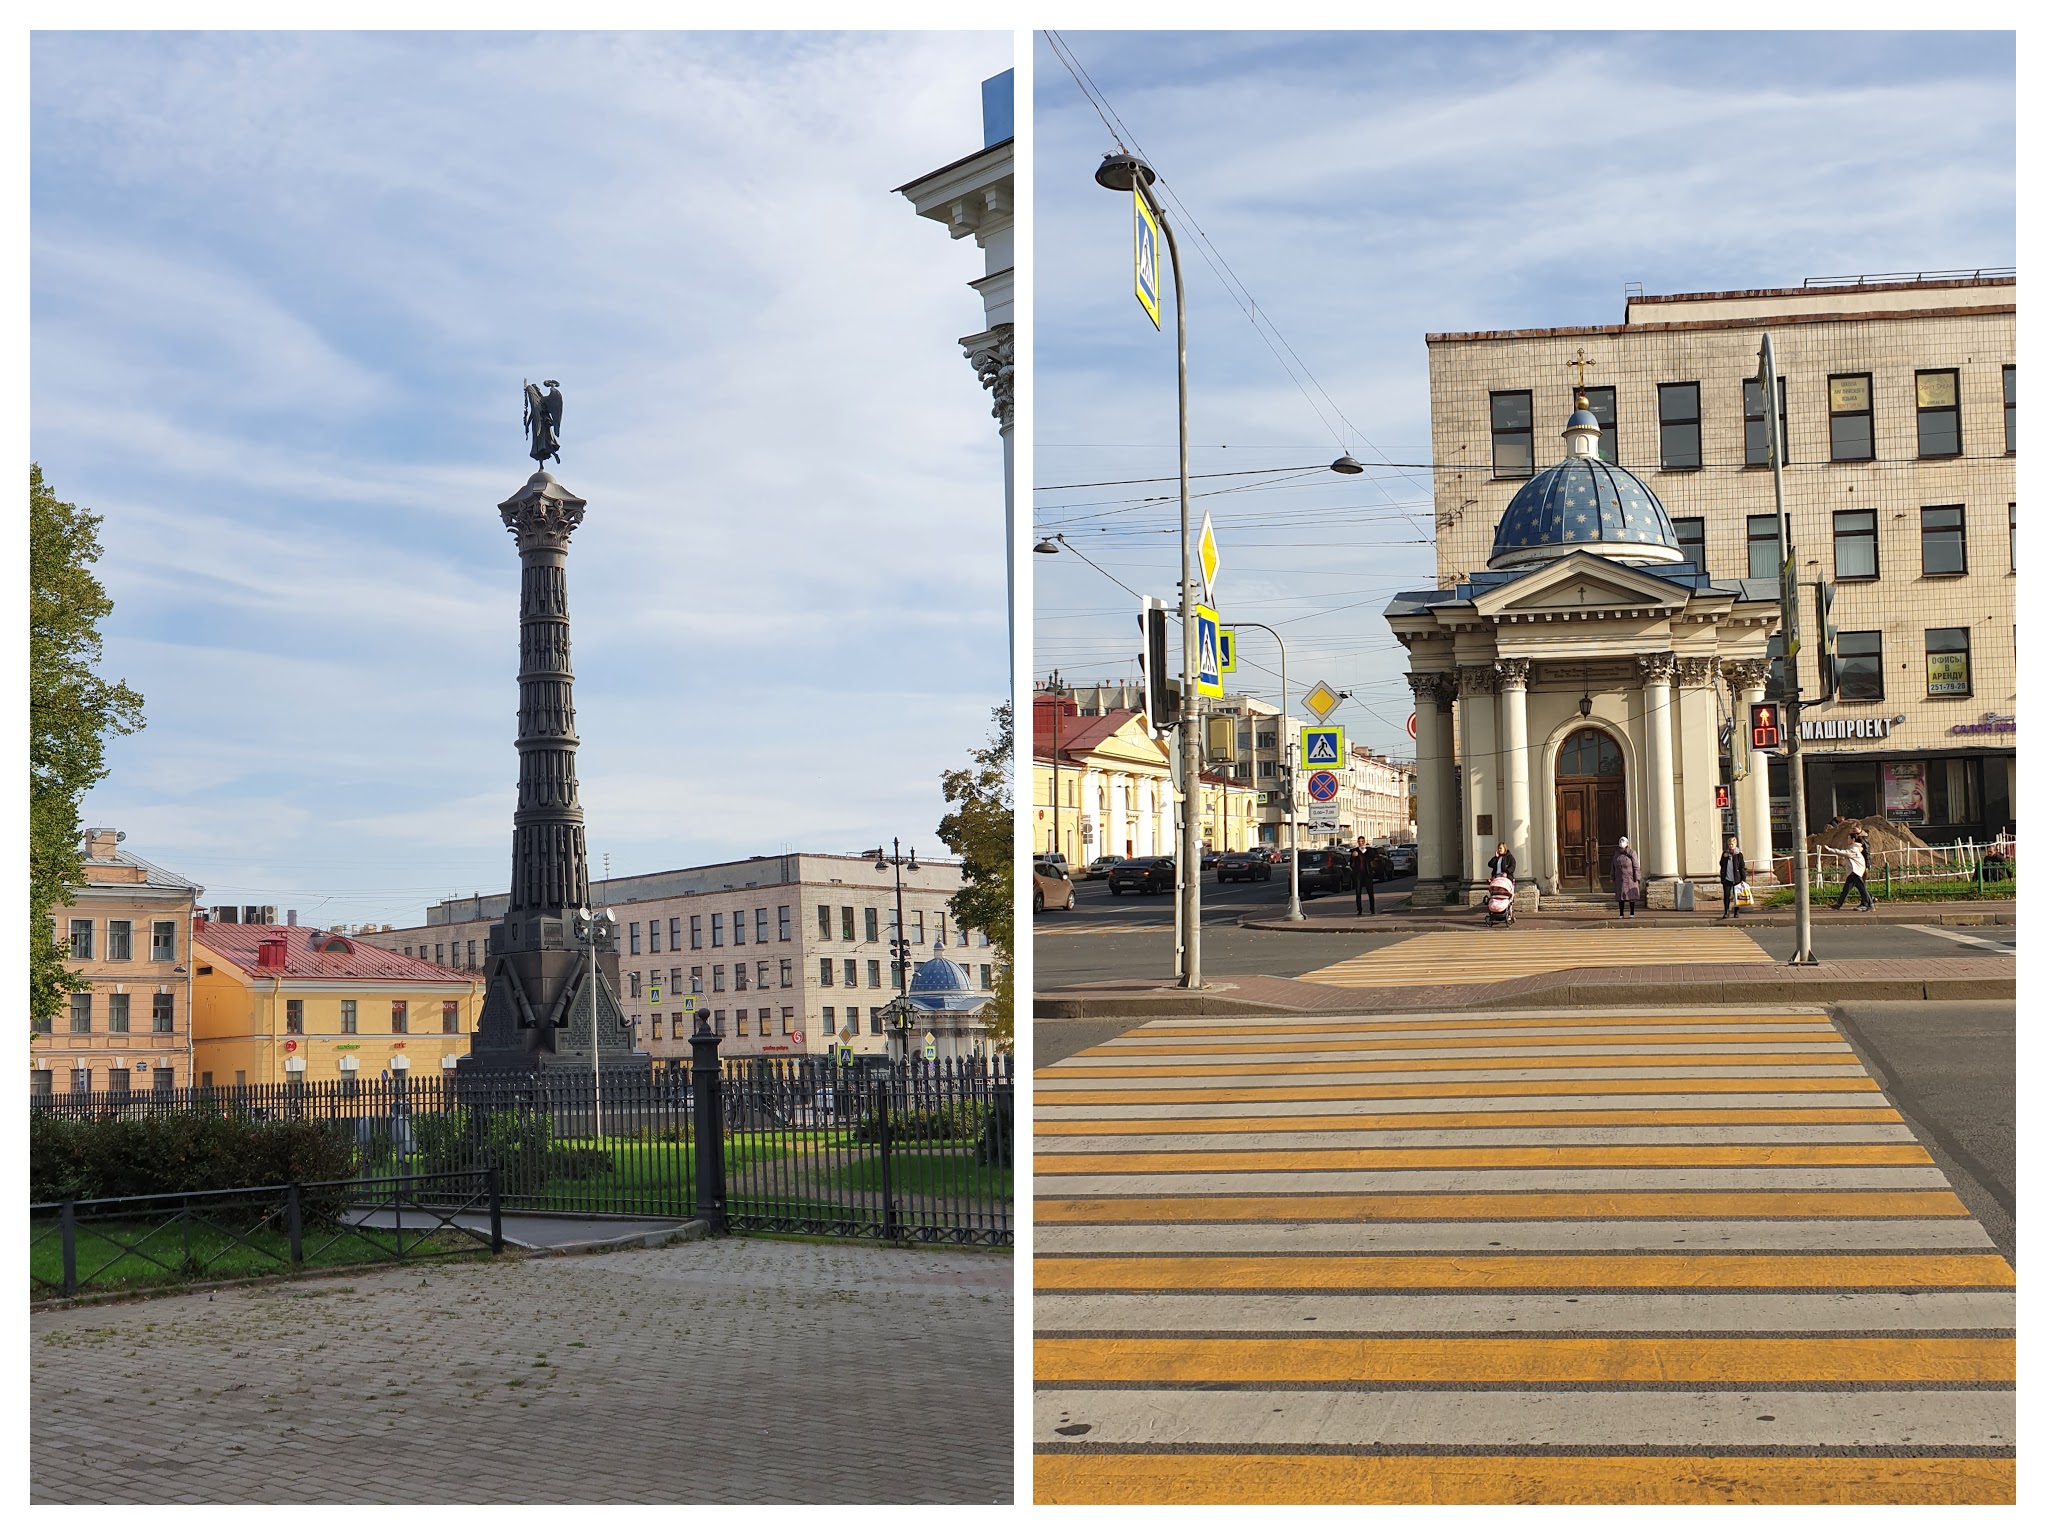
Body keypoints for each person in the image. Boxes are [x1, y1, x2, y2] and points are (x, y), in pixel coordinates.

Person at [1834, 832, 1874, 912]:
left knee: (1862, 889)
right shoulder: (1854, 848)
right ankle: (1838, 904)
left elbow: (1845, 853)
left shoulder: (1854, 849)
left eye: (1848, 838)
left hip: (1856, 872)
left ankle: (1870, 904)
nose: (1847, 840)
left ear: (1853, 840)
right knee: (1846, 889)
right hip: (1853, 872)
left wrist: (1830, 849)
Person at [1610, 835, 1642, 918]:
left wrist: (1637, 877)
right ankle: (1621, 913)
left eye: (1623, 841)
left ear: (1627, 843)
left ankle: (1632, 913)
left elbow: (1636, 866)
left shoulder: (1632, 853)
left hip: (1630, 878)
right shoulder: (1617, 854)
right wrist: (1612, 877)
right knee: (1621, 897)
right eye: (1620, 841)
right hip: (1619, 878)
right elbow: (1613, 866)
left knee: (1631, 896)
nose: (1621, 843)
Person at [1719, 835, 1748, 919]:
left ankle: (1736, 911)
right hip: (1727, 878)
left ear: (1735, 845)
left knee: (1736, 896)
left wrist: (1743, 879)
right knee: (1726, 896)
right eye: (1729, 844)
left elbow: (1742, 867)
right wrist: (1724, 858)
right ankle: (1726, 911)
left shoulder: (1739, 855)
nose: (1730, 846)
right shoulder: (1725, 854)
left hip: (1736, 879)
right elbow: (1721, 864)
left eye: (1732, 844)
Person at [1353, 835, 1376, 916]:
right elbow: (1351, 862)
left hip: (1367, 873)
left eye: (1362, 842)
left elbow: (1372, 856)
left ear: (1364, 842)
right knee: (1358, 892)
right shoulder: (1355, 851)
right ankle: (1359, 910)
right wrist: (1353, 856)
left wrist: (1365, 850)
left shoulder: (1369, 850)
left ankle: (1372, 909)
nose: (1361, 843)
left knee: (1370, 891)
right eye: (1359, 842)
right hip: (1358, 874)